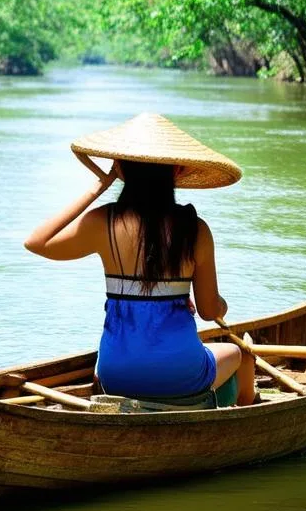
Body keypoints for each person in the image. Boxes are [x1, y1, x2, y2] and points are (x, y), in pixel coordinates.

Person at [24, 152, 256, 407]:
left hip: (117, 376)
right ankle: (248, 410)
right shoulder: (195, 229)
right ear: (178, 170)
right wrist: (221, 305)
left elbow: (37, 242)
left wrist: (99, 186)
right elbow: (209, 311)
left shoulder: (103, 221)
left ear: (120, 168)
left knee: (105, 359)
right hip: (182, 372)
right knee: (239, 354)